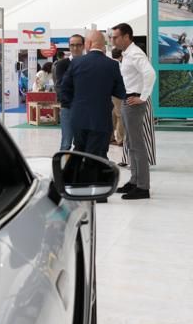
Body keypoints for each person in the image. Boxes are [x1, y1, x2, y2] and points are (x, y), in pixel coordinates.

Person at [57, 30, 125, 165]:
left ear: (87, 44)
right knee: (98, 155)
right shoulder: (112, 65)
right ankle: (96, 181)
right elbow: (120, 92)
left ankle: (76, 181)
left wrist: (75, 105)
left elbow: (64, 88)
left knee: (79, 151)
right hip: (101, 118)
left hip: (79, 118)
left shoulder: (76, 63)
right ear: (102, 45)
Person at [109, 23, 155, 200]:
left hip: (134, 101)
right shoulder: (127, 54)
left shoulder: (135, 53)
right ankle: (135, 181)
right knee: (130, 144)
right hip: (128, 100)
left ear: (126, 37)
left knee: (137, 144)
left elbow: (150, 73)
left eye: (116, 37)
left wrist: (143, 97)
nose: (113, 40)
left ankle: (143, 187)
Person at [54, 34, 84, 151]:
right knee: (66, 143)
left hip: (84, 108)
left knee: (80, 143)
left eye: (78, 45)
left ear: (83, 46)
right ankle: (62, 168)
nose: (75, 48)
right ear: (69, 47)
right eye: (72, 45)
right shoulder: (62, 64)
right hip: (68, 107)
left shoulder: (87, 62)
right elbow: (61, 86)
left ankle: (78, 168)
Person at [110, 48, 127, 163]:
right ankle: (120, 139)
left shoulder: (110, 64)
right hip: (118, 94)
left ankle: (110, 137)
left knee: (113, 115)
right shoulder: (120, 65)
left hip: (111, 93)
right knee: (120, 115)